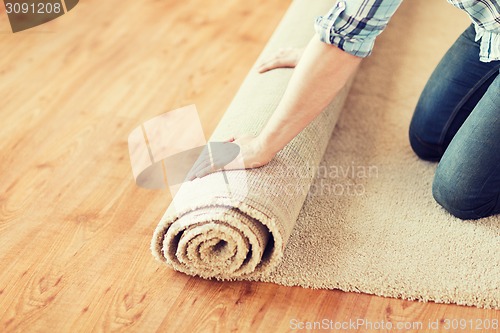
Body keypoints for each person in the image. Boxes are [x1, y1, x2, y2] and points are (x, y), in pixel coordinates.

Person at [189, 0, 500, 220]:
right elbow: (353, 23)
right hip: (492, 23)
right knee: (429, 138)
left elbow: (348, 36)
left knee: (461, 193)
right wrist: (319, 55)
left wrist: (262, 146)